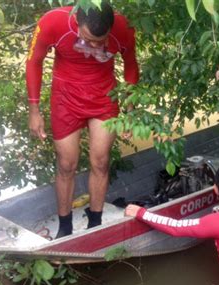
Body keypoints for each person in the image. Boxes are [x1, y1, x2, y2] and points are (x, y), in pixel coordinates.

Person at [26, 1, 139, 238]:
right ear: (77, 21)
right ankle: (65, 226)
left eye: (101, 40)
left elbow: (130, 65)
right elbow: (34, 61)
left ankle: (95, 224)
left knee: (100, 161)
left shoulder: (123, 27)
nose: (96, 45)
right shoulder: (53, 22)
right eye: (89, 39)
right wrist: (34, 110)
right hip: (65, 99)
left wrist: (130, 110)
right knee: (67, 164)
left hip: (104, 97)